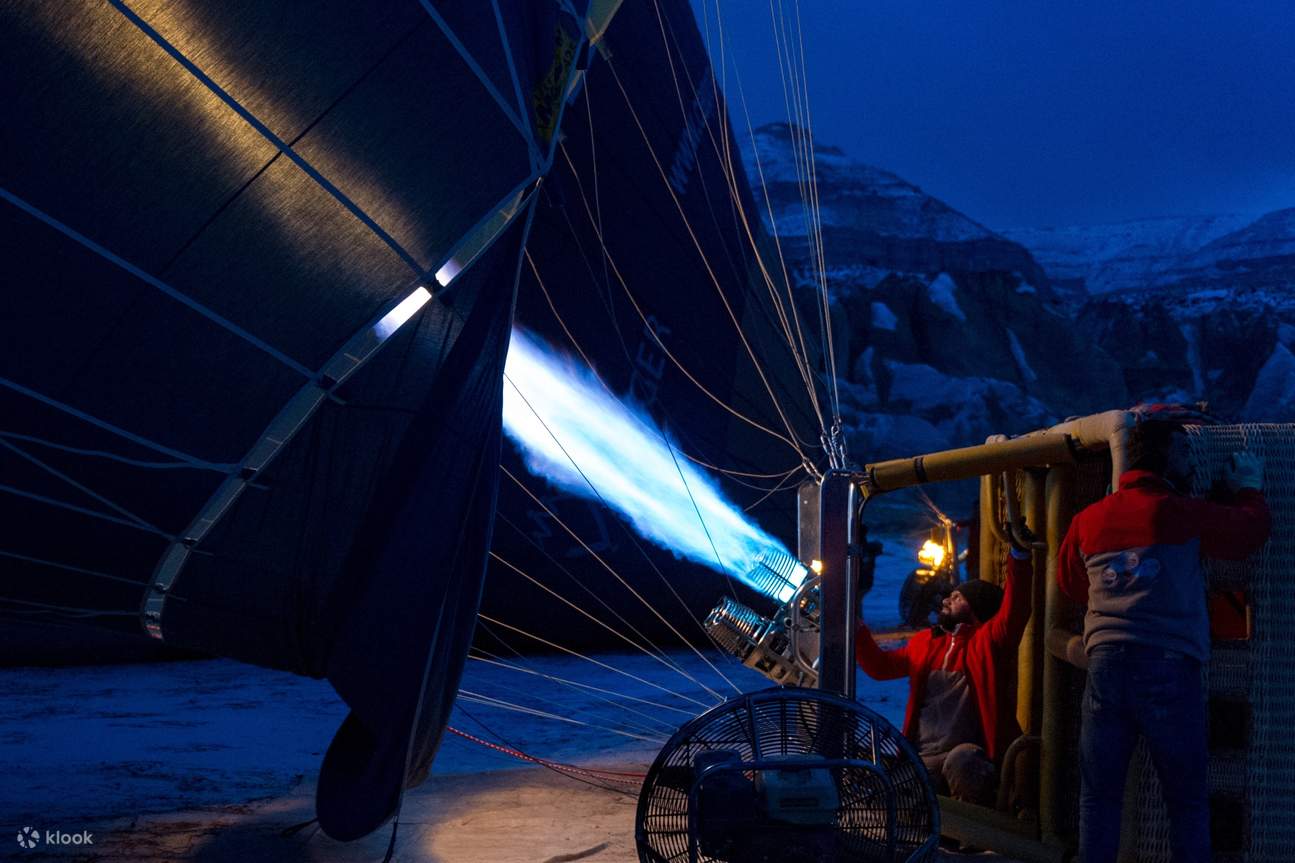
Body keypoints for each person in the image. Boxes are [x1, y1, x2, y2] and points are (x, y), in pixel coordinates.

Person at [1057, 421, 1270, 863]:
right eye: (1184, 451)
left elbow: (1073, 584)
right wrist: (1249, 487)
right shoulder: (1178, 511)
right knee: (1187, 802)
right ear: (1164, 455)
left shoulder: (1087, 520)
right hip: (1168, 668)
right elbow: (1249, 533)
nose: (1191, 460)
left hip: (1104, 668)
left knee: (1099, 798)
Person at [856, 533, 1034, 805]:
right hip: (922, 755)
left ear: (975, 609)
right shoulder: (925, 643)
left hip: (966, 754)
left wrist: (1019, 557)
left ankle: (972, 837)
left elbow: (1016, 608)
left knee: (963, 762)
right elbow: (880, 668)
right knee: (888, 789)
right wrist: (855, 627)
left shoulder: (988, 643)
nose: (946, 601)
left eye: (957, 597)